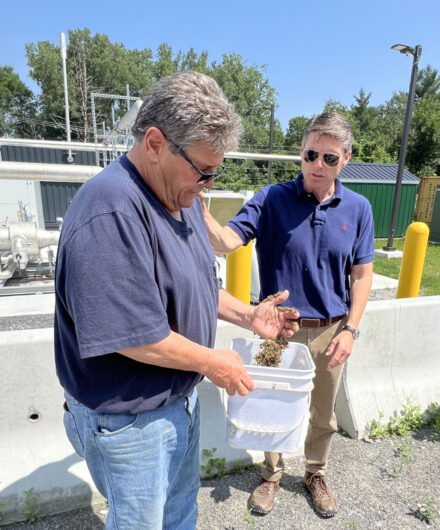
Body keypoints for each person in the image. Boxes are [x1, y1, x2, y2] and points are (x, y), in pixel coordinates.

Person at [54, 71, 300, 530]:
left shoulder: (181, 197)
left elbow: (194, 284)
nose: (207, 184)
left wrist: (249, 315)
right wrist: (212, 362)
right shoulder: (111, 211)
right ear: (154, 142)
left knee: (180, 515)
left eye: (216, 171)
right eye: (202, 170)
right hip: (129, 421)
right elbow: (134, 336)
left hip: (175, 404)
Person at [201, 112, 374, 518]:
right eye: (311, 154)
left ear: (345, 159)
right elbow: (226, 242)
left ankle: (315, 472)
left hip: (332, 330)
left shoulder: (359, 208)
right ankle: (271, 473)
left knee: (323, 413)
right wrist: (195, 199)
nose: (318, 164)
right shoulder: (271, 199)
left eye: (329, 158)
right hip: (280, 328)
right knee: (272, 404)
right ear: (301, 151)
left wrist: (351, 330)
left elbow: (363, 275)